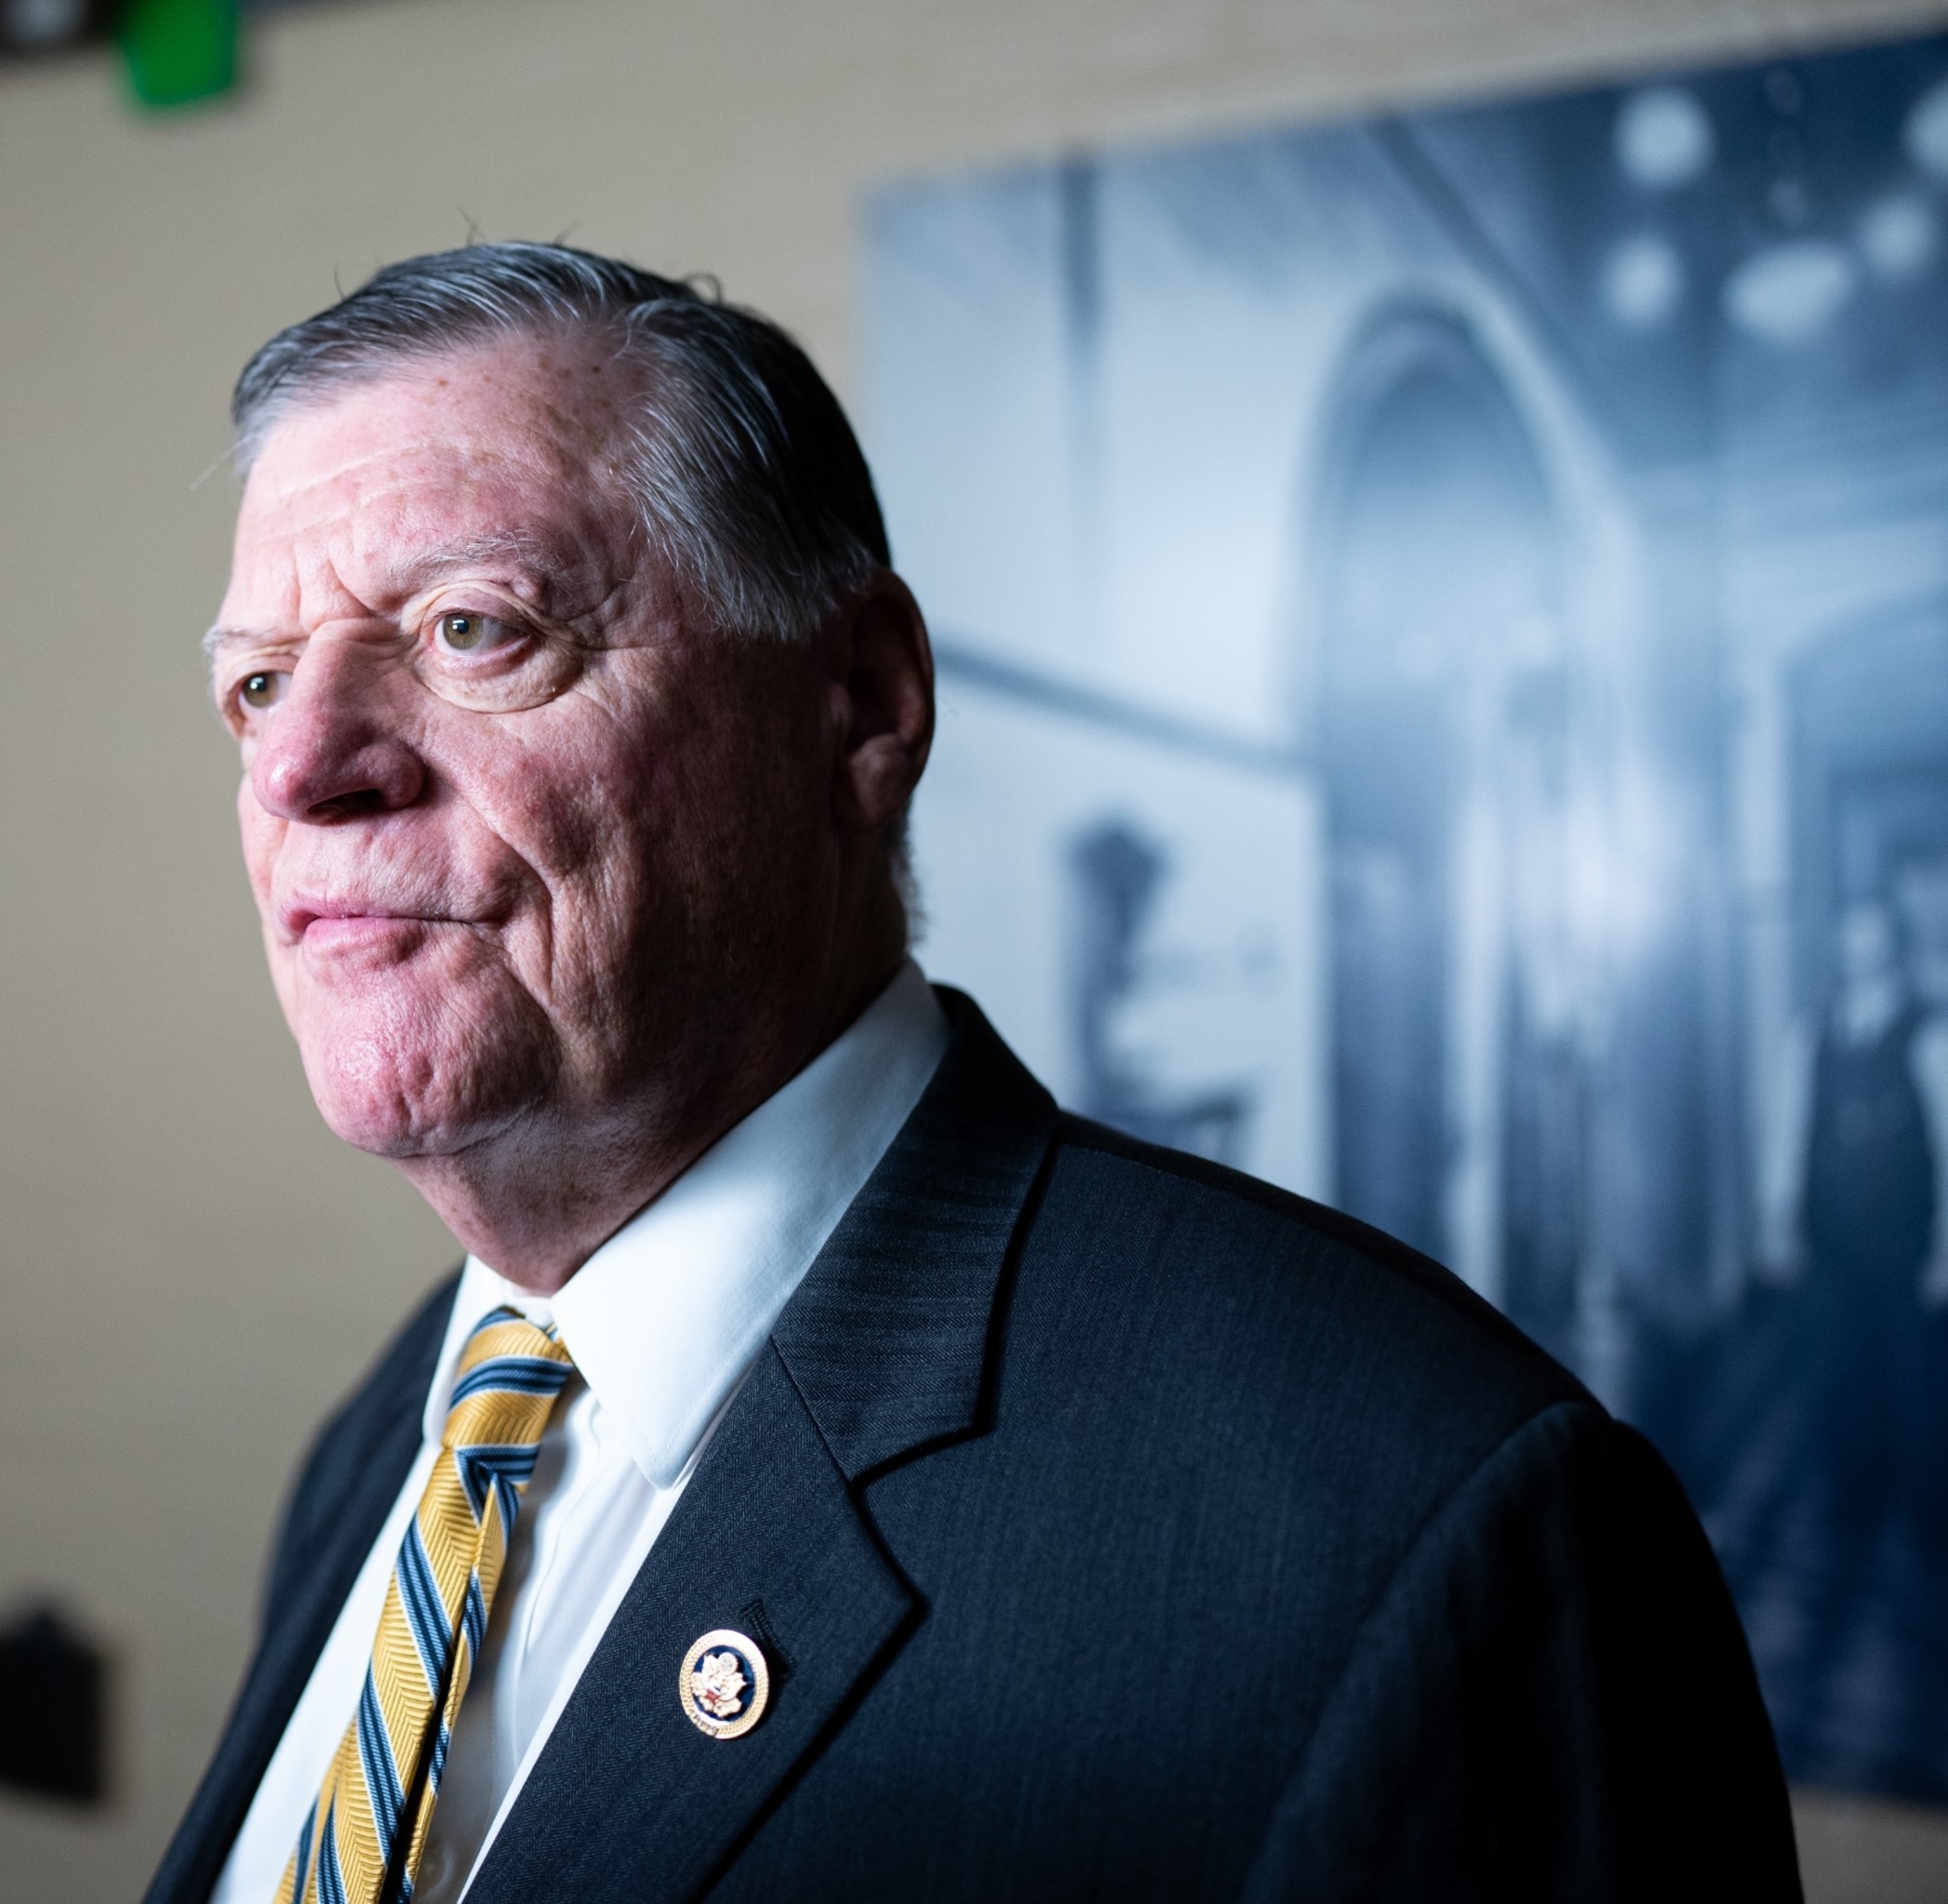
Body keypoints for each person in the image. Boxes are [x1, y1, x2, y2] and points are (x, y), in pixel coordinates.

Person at [147, 243, 1794, 1904]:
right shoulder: (401, 1440)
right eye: (258, 683)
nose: (297, 767)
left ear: (861, 705)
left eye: (470, 627)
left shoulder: (1417, 1528)